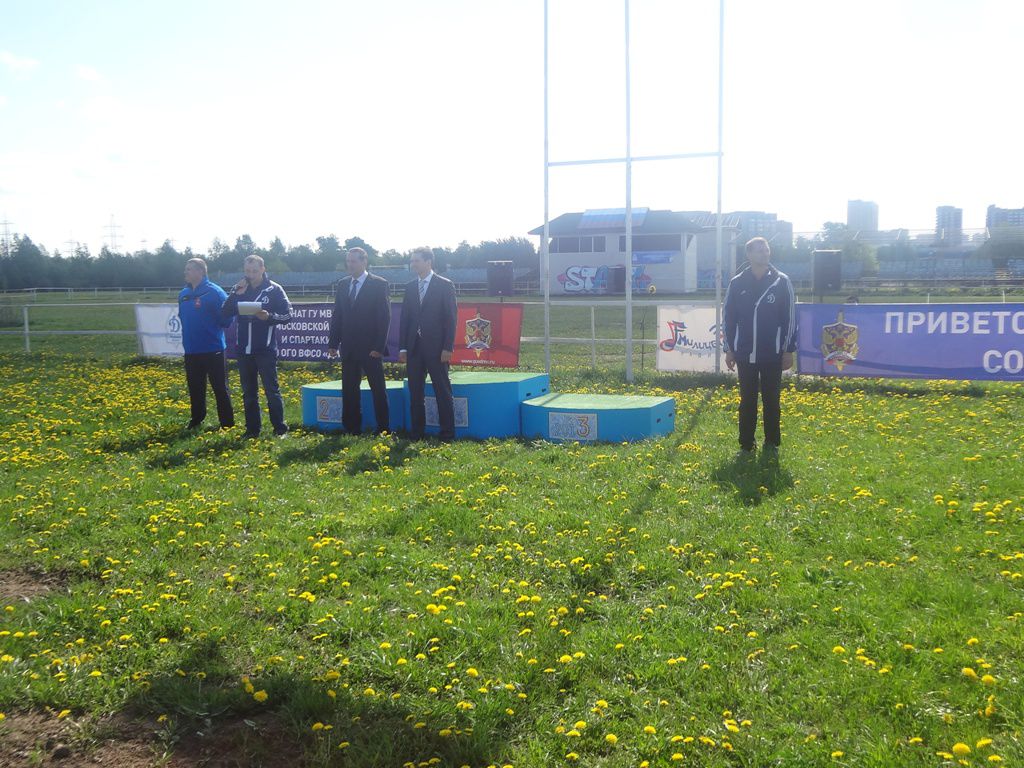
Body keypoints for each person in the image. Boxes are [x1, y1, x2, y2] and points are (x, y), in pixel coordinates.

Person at [722, 237, 797, 455]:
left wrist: (788, 350)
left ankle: (771, 443)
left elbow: (790, 319)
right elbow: (728, 318)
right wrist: (729, 349)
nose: (765, 253)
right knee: (747, 400)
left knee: (772, 400)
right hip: (745, 353)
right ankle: (746, 444)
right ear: (749, 255)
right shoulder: (737, 283)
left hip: (772, 353)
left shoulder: (781, 281)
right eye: (759, 250)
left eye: (766, 250)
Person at [221, 255, 293, 438]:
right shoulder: (239, 288)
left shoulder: (274, 289)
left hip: (265, 349)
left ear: (263, 269)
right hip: (244, 350)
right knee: (249, 393)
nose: (250, 275)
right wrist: (235, 294)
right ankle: (252, 430)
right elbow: (225, 312)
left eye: (254, 271)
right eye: (247, 271)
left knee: (271, 390)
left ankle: (280, 429)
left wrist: (269, 317)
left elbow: (288, 315)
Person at [327, 247, 392, 435]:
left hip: (371, 348)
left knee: (378, 389)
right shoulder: (343, 284)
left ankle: (383, 428)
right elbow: (338, 315)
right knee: (349, 389)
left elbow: (384, 318)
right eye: (348, 261)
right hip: (349, 347)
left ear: (364, 262)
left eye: (353, 261)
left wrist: (379, 346)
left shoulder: (379, 284)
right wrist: (333, 343)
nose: (350, 265)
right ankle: (351, 428)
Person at [398, 246, 457, 441]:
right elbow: (405, 319)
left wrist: (448, 347)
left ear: (428, 262)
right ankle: (417, 433)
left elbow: (451, 319)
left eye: (416, 260)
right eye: (411, 261)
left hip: (438, 349)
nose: (412, 264)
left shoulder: (445, 285)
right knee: (415, 393)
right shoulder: (409, 287)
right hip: (414, 348)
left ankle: (447, 433)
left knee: (442, 391)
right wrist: (403, 347)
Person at [178, 258, 234, 430]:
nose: (186, 272)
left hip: (213, 349)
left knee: (220, 387)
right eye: (186, 269)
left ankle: (227, 423)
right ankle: (196, 419)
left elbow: (227, 318)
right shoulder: (183, 294)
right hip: (191, 350)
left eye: (189, 269)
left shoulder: (215, 292)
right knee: (195, 387)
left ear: (200, 271)